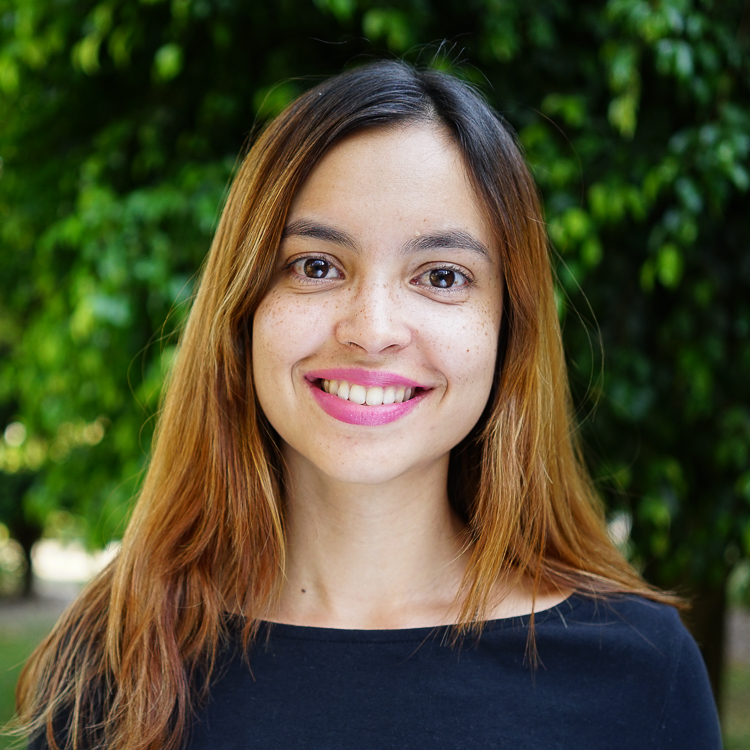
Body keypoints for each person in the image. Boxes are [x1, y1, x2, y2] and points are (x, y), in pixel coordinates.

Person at [14, 60, 721, 750]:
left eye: (442, 276)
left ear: (510, 331)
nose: (373, 329)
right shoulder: (114, 653)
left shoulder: (639, 675)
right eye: (316, 266)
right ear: (244, 309)